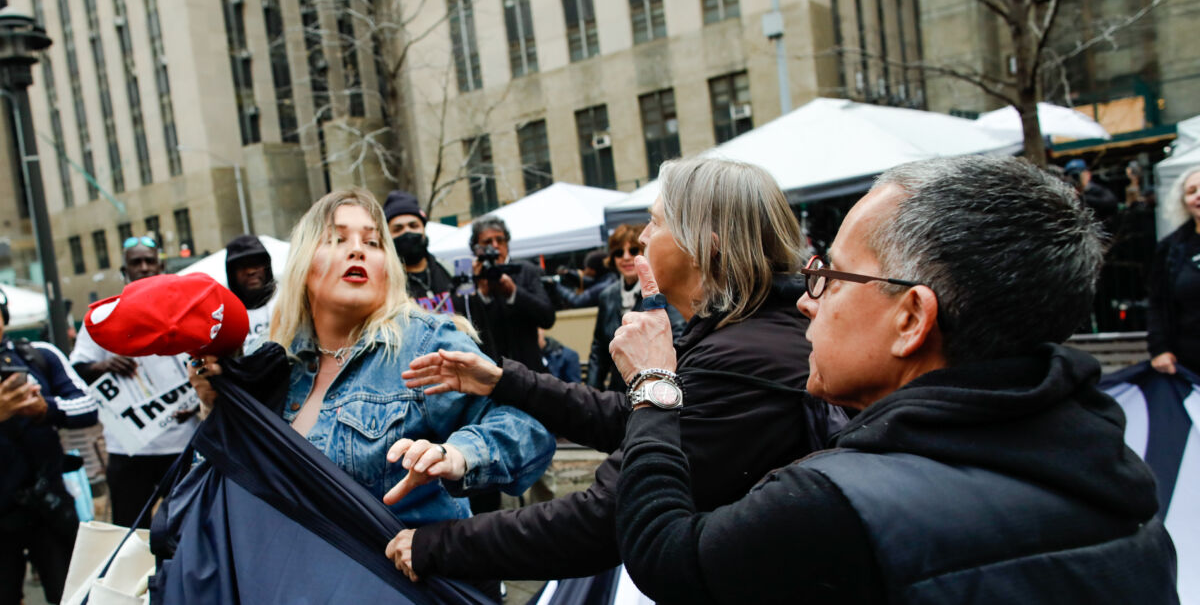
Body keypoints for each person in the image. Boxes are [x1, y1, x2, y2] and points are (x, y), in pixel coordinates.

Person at [612, 156, 1177, 604]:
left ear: (910, 319)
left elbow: (667, 556)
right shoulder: (1120, 472)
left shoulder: (837, 504)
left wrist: (656, 385)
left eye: (831, 276)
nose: (809, 304)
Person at [387, 158, 843, 583]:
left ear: (704, 247)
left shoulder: (743, 357)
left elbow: (605, 515)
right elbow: (633, 422)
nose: (642, 237)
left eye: (656, 222)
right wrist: (504, 381)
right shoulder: (741, 333)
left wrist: (436, 544)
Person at [187, 189, 555, 533]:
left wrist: (456, 454)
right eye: (337, 239)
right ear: (304, 263)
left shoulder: (426, 342)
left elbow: (527, 427)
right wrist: (213, 407)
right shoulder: (276, 364)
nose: (357, 250)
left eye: (373, 242)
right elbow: (224, 485)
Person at [70, 236, 199, 528]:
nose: (143, 267)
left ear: (161, 266)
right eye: (135, 262)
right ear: (124, 270)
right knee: (127, 534)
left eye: (149, 261)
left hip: (181, 444)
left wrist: (197, 405)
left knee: (188, 529)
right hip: (128, 447)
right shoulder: (103, 315)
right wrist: (103, 364)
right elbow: (77, 368)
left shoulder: (186, 311)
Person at [0, 287, 98, 605]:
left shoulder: (39, 354)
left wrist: (46, 409)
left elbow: (88, 406)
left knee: (71, 595)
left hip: (50, 506)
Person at [588, 224, 684, 391]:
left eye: (633, 251)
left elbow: (677, 340)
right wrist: (592, 392)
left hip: (654, 390)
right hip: (617, 395)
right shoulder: (607, 296)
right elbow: (599, 352)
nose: (626, 257)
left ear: (643, 253)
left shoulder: (659, 291)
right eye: (619, 252)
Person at [466, 216, 556, 372]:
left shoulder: (526, 270)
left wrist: (514, 293)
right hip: (490, 370)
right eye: (487, 242)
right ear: (476, 249)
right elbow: (469, 329)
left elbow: (547, 317)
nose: (495, 246)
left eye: (500, 240)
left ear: (507, 244)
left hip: (529, 369)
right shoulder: (469, 278)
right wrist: (482, 295)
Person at [1148, 166, 1200, 375]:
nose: (1198, 196)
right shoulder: (1170, 248)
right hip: (1190, 367)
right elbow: (1157, 301)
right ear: (1183, 202)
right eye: (1191, 191)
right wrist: (1159, 348)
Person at [384, 190, 463, 315]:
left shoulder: (449, 270)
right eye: (398, 229)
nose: (407, 232)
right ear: (388, 236)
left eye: (413, 226)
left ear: (424, 229)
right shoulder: (386, 286)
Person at [224, 234, 278, 351]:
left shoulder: (288, 303)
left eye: (256, 263)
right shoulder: (224, 317)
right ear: (232, 273)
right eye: (242, 266)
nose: (250, 271)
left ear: (266, 266)